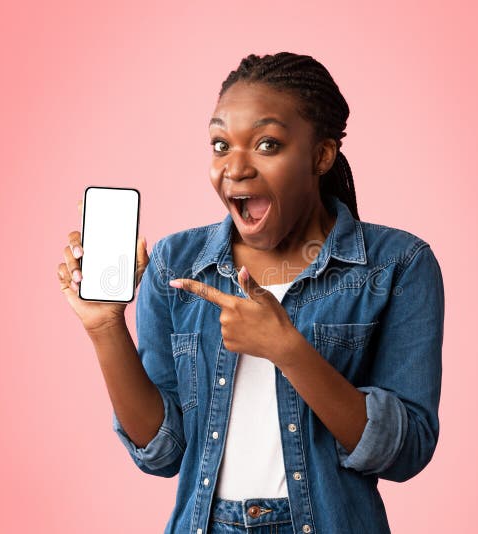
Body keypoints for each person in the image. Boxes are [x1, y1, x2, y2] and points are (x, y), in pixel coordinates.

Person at [58, 52, 445, 534]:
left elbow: (404, 453)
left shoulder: (397, 264)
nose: (235, 168)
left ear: (321, 155)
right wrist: (105, 327)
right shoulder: (176, 264)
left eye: (267, 144)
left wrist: (288, 350)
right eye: (221, 145)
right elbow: (162, 452)